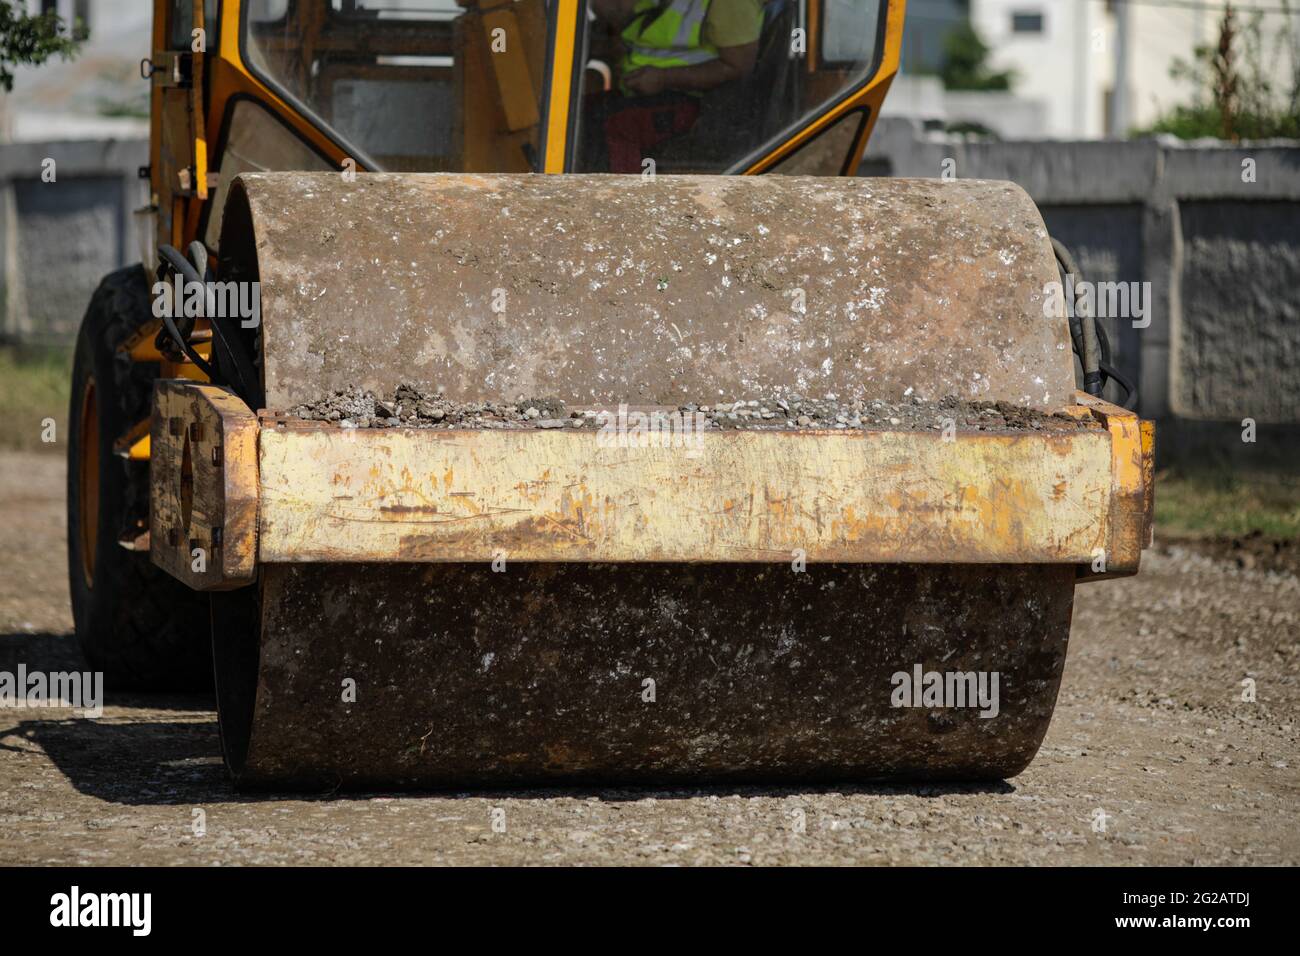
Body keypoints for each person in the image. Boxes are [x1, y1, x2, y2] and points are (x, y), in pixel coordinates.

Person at [586, 0, 764, 172]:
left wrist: (663, 78)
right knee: (576, 109)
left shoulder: (730, 4)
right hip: (641, 90)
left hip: (696, 102)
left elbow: (738, 66)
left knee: (607, 125)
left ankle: (621, 195)